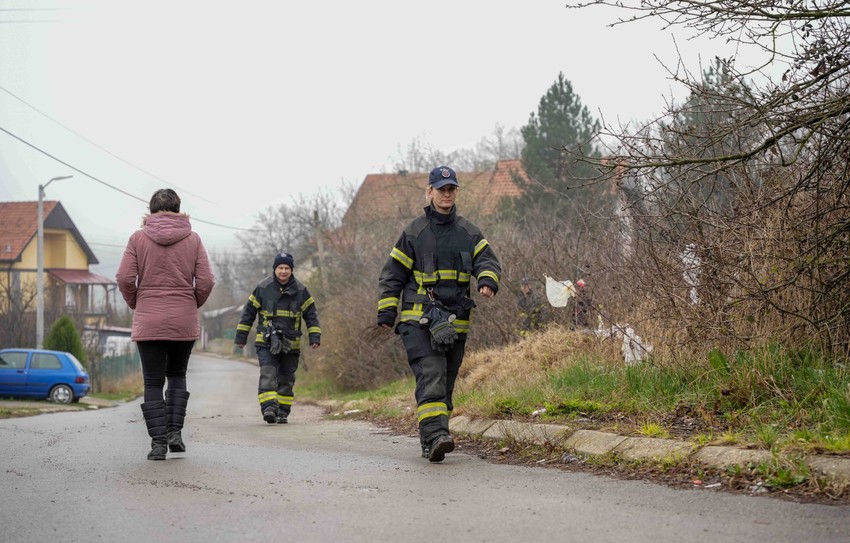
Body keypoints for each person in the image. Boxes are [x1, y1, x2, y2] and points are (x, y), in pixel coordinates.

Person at [377, 165, 501, 462]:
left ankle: (431, 438)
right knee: (431, 373)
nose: (447, 194)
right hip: (417, 321)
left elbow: (488, 260)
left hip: (454, 324)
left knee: (444, 382)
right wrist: (387, 309)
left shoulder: (468, 232)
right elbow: (392, 274)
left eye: (451, 189)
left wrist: (486, 280)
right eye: (441, 189)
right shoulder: (414, 232)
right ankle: (436, 436)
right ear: (429, 191)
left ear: (455, 192)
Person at [116, 189, 215, 461]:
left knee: (152, 382)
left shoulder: (137, 238)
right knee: (177, 374)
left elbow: (125, 278)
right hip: (183, 317)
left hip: (149, 318)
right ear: (179, 208)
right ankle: (175, 435)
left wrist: (138, 301)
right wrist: (190, 301)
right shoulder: (193, 239)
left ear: (150, 210)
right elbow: (206, 281)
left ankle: (158, 445)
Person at [234, 252, 320, 424]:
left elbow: (311, 315)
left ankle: (282, 412)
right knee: (268, 373)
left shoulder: (301, 291)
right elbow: (248, 314)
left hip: (291, 344)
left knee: (286, 378)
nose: (283, 271)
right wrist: (241, 337)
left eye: (287, 268)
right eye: (280, 268)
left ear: (291, 270)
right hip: (266, 342)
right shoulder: (263, 288)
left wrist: (315, 336)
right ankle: (269, 409)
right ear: (274, 269)